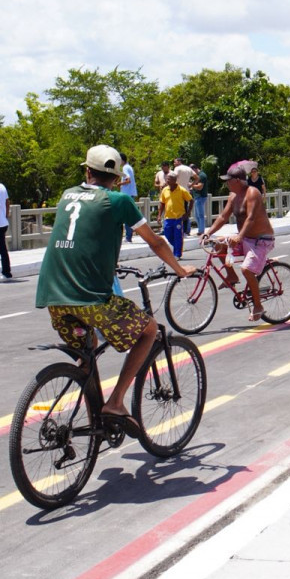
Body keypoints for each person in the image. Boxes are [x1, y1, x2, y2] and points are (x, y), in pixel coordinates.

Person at [35, 145, 194, 437]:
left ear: (87, 171)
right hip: (89, 297)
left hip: (52, 296)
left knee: (88, 350)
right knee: (148, 330)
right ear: (119, 178)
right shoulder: (119, 200)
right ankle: (116, 403)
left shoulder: (67, 195)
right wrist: (181, 270)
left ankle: (90, 405)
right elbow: (156, 242)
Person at [202, 160, 275, 322]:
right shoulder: (233, 196)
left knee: (247, 270)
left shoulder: (252, 193)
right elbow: (223, 217)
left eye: (228, 180)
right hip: (245, 237)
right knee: (218, 245)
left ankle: (258, 306)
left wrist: (239, 237)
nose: (227, 183)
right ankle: (231, 276)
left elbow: (251, 218)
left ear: (237, 181)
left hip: (261, 239)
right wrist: (209, 233)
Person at [158, 173, 193, 258]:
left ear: (174, 180)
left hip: (178, 217)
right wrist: (159, 215)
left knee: (178, 236)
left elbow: (191, 200)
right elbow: (162, 203)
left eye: (169, 179)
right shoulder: (165, 190)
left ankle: (177, 254)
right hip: (168, 217)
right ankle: (177, 247)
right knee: (167, 234)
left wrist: (187, 213)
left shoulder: (181, 190)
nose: (167, 181)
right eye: (167, 179)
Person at [172, 157, 196, 234]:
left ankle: (179, 229)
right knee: (185, 210)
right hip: (186, 191)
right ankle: (186, 229)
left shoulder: (177, 168)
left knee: (177, 211)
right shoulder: (188, 168)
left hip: (178, 192)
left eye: (175, 162)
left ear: (179, 162)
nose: (174, 163)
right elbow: (197, 177)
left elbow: (173, 178)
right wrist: (191, 185)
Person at [119, 153, 138, 242]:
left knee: (127, 216)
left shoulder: (125, 168)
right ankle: (128, 236)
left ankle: (128, 237)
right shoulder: (129, 167)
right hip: (130, 193)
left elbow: (128, 180)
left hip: (127, 194)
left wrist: (119, 184)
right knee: (128, 215)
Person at [189, 162, 209, 235]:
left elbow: (200, 187)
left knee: (200, 215)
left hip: (200, 197)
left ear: (194, 169)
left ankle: (201, 231)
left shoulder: (202, 175)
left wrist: (191, 185)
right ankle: (200, 230)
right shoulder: (197, 176)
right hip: (197, 197)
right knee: (196, 215)